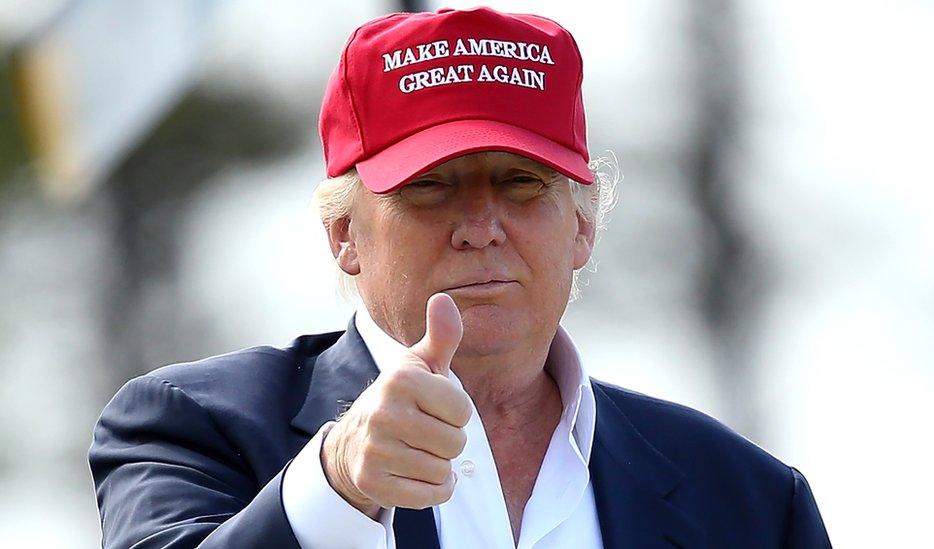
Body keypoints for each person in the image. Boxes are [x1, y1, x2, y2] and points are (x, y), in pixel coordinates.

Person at [89, 7, 831, 549]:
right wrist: (337, 485)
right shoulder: (192, 428)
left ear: (582, 226)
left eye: (520, 182)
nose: (482, 223)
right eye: (431, 185)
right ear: (344, 234)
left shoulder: (750, 501)